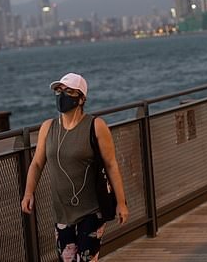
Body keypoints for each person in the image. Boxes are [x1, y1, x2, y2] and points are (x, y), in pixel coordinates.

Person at [21, 73, 129, 261]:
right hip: (62, 212)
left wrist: (121, 202)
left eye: (68, 91)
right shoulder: (48, 127)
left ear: (81, 99)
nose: (62, 95)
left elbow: (111, 165)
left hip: (92, 209)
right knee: (67, 259)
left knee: (87, 259)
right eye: (59, 90)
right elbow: (37, 163)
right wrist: (29, 192)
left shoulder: (95, 126)